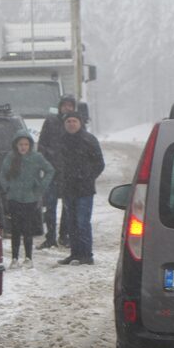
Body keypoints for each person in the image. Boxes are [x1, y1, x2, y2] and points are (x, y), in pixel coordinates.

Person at [56, 111, 106, 266]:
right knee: (71, 223)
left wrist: (87, 177)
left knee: (83, 222)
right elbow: (57, 163)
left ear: (80, 123)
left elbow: (99, 163)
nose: (71, 124)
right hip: (68, 188)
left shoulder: (89, 140)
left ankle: (86, 254)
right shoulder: (62, 140)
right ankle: (74, 253)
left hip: (84, 190)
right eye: (68, 121)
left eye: (74, 121)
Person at [0, 128, 54, 268]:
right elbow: (2, 174)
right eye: (20, 144)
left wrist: (41, 186)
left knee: (28, 229)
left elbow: (50, 170)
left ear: (30, 145)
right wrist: (7, 187)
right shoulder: (10, 157)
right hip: (14, 198)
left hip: (31, 198)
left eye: (26, 144)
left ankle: (28, 258)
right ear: (16, 145)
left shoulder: (36, 157)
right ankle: (15, 258)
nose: (23, 147)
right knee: (16, 229)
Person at [37, 94, 77, 248]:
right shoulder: (51, 121)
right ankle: (50, 237)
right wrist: (47, 160)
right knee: (50, 206)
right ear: (60, 106)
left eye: (70, 105)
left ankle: (64, 236)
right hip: (52, 172)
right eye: (64, 105)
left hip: (69, 173)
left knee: (68, 207)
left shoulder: (75, 123)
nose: (67, 108)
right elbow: (41, 144)